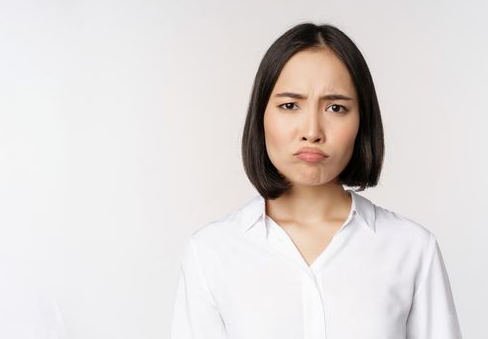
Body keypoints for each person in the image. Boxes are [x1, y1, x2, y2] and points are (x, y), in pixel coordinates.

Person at [169, 22, 462, 339]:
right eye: (290, 105)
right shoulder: (211, 252)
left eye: (336, 107)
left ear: (361, 122)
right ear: (261, 116)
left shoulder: (411, 249)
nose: (312, 130)